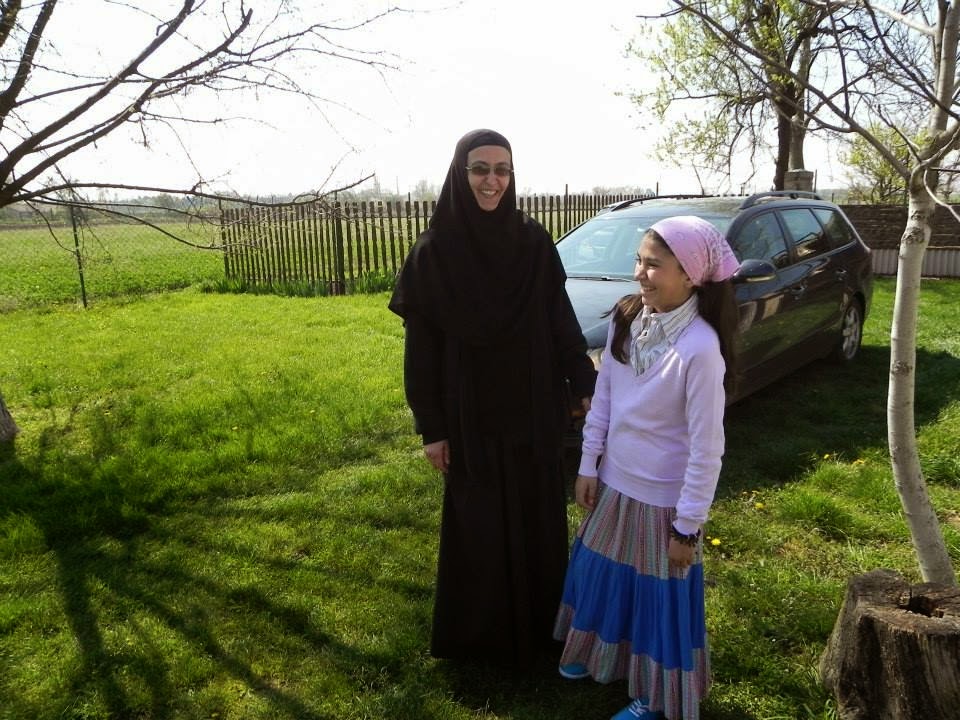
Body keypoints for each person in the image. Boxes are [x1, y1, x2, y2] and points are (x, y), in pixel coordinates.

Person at [388, 129, 597, 667]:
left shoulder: (532, 242)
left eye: (502, 170)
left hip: (532, 405)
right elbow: (421, 353)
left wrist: (583, 380)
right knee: (479, 524)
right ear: (460, 174)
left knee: (535, 518)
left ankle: (541, 633)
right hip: (469, 414)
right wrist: (432, 427)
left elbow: (559, 319)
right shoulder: (434, 253)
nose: (492, 180)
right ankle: (480, 643)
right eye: (480, 168)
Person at [552, 216, 740, 720]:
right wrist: (589, 463)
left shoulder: (700, 349)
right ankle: (597, 654)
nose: (640, 273)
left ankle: (657, 696)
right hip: (614, 483)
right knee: (602, 572)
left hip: (663, 501)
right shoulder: (627, 317)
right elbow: (605, 399)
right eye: (639, 260)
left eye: (653, 265)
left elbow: (707, 449)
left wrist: (688, 526)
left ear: (690, 275)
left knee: (659, 600)